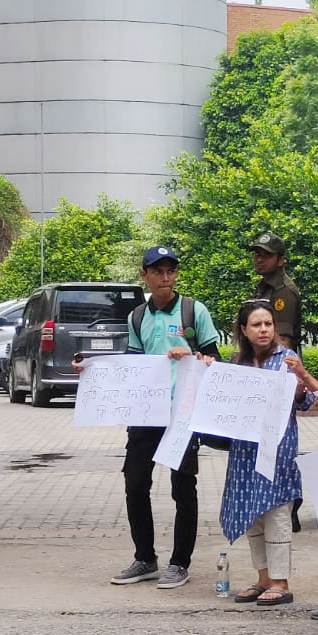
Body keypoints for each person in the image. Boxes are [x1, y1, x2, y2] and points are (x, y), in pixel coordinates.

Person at [99, 246, 221, 590]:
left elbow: (212, 358)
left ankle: (180, 563)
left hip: (182, 414)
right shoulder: (137, 316)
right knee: (135, 484)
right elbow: (134, 365)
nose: (165, 277)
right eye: (158, 271)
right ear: (145, 275)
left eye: (170, 271)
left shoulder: (193, 310)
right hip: (146, 414)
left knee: (183, 487)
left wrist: (193, 354)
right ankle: (145, 559)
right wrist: (93, 369)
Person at [219, 300, 317, 606]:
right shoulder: (239, 365)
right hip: (245, 453)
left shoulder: (287, 359)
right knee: (253, 517)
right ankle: (262, 577)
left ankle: (280, 581)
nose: (264, 330)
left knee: (277, 515)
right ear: (244, 331)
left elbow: (306, 402)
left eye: (268, 324)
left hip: (278, 451)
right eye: (257, 325)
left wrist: (300, 390)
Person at [248, 232, 301, 349]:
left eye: (267, 255)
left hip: (275, 364)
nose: (260, 260)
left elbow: (282, 341)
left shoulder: (284, 291)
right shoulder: (265, 286)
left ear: (280, 260)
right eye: (257, 254)